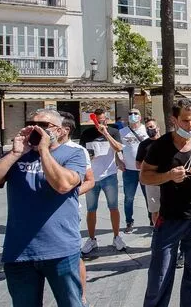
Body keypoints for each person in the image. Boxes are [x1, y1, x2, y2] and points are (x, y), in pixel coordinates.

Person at [0, 109, 87, 306]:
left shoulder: (74, 154)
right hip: (19, 252)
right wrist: (16, 152)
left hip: (60, 249)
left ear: (59, 131)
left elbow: (63, 185)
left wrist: (44, 150)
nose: (36, 129)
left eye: (43, 126)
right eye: (32, 123)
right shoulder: (16, 157)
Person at [140, 99, 191, 307]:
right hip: (169, 218)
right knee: (160, 274)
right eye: (186, 121)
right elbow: (145, 176)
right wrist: (168, 175)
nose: (190, 126)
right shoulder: (160, 146)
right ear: (174, 120)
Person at [58, 111, 96, 307]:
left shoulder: (76, 151)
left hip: (68, 213)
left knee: (74, 254)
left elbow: (90, 181)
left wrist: (69, 194)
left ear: (64, 130)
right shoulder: (34, 150)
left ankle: (80, 297)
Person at [80, 109, 126, 254]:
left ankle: (117, 236)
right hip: (92, 177)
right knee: (91, 209)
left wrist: (105, 133)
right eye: (96, 121)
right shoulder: (87, 134)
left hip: (109, 176)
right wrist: (88, 157)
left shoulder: (113, 131)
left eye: (102, 120)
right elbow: (81, 154)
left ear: (106, 120)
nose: (99, 123)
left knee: (113, 207)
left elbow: (119, 148)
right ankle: (92, 239)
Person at [119, 109, 149, 234]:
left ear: (140, 117)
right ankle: (129, 222)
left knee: (149, 197)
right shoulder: (122, 132)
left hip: (145, 169)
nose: (133, 115)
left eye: (136, 113)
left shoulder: (146, 130)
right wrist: (118, 161)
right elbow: (116, 148)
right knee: (129, 198)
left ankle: (152, 219)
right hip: (129, 170)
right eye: (130, 113)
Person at [136, 118, 161, 226]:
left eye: (151, 127)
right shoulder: (143, 145)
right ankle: (157, 230)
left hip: (167, 180)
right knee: (154, 210)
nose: (149, 129)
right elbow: (138, 164)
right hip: (152, 182)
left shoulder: (167, 141)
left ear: (157, 128)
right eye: (147, 128)